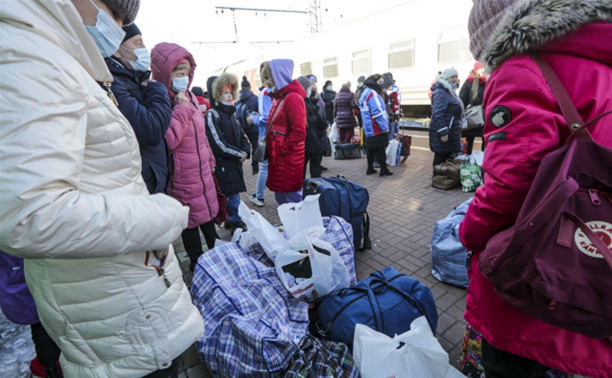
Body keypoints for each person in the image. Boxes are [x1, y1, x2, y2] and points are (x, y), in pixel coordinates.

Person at [0, 1, 204, 377]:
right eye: (117, 14)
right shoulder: (33, 57)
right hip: (112, 310)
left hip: (119, 298)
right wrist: (159, 216)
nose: (117, 27)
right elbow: (30, 215)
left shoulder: (58, 55)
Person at [460, 1, 612, 377]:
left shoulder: (521, 70)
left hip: (537, 291)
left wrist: (468, 232)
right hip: (595, 269)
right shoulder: (601, 64)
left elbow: (510, 185)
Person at [151, 42, 220, 271]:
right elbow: (169, 140)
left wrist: (210, 161)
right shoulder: (162, 99)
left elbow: (203, 136)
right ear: (166, 73)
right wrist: (180, 109)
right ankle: (198, 266)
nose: (183, 76)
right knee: (190, 225)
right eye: (178, 72)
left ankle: (220, 259)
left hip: (202, 174)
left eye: (186, 72)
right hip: (182, 177)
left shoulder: (189, 96)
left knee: (209, 218)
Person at [106, 23, 172, 195]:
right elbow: (151, 128)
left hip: (152, 178)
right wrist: (158, 88)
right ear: (116, 49)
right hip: (143, 183)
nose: (144, 49)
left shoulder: (133, 79)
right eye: (138, 43)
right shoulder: (112, 82)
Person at [0, 252, 62, 378]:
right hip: (31, 282)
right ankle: (51, 367)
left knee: (42, 328)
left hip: (17, 282)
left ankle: (49, 366)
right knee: (44, 328)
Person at [205, 74, 251, 230]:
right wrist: (240, 154)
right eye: (225, 92)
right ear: (217, 94)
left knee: (234, 197)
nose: (229, 95)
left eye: (231, 92)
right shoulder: (213, 114)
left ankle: (233, 221)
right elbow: (218, 143)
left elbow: (243, 136)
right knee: (232, 198)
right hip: (224, 166)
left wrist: (246, 150)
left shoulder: (232, 114)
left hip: (234, 165)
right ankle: (234, 222)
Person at [261, 59, 307, 205]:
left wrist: (282, 149)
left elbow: (299, 131)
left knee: (292, 200)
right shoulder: (279, 97)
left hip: (288, 159)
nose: (266, 83)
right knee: (282, 198)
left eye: (268, 78)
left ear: (278, 76)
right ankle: (288, 226)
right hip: (281, 159)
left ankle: (297, 227)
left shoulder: (292, 97)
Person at [248, 65, 273, 208]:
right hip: (280, 135)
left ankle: (259, 196)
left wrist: (253, 120)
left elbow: (266, 118)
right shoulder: (280, 91)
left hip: (267, 135)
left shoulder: (265, 93)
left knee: (264, 166)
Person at [359, 74, 393, 177]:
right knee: (380, 148)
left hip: (369, 126)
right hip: (376, 127)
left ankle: (370, 168)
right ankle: (384, 170)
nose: (381, 85)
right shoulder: (372, 93)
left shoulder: (365, 92)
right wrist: (384, 127)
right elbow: (377, 112)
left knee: (371, 149)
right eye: (380, 83)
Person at [429, 67, 463, 168]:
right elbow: (438, 113)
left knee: (446, 156)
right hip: (445, 131)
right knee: (441, 156)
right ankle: (438, 178)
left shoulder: (449, 91)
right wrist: (443, 132)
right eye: (452, 77)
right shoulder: (441, 92)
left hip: (451, 129)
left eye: (456, 76)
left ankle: (444, 179)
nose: (455, 79)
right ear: (446, 78)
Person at [299, 77, 327, 178]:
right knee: (312, 164)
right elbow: (307, 120)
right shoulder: (301, 101)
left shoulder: (307, 100)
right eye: (310, 87)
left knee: (308, 165)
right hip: (310, 138)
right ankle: (314, 185)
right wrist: (316, 117)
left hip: (311, 137)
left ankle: (310, 185)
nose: (312, 89)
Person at [459, 61, 486, 155]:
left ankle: (484, 163)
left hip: (484, 118)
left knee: (486, 143)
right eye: (482, 68)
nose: (484, 70)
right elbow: (461, 100)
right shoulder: (468, 82)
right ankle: (466, 163)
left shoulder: (488, 82)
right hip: (471, 118)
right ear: (476, 70)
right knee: (467, 145)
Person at [236, 76, 260, 175]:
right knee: (255, 147)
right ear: (250, 87)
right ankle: (255, 168)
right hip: (253, 126)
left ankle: (239, 165)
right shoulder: (254, 98)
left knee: (241, 144)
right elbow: (260, 112)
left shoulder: (237, 98)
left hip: (241, 126)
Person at [306, 74, 330, 171]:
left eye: (315, 81)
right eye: (312, 82)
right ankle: (315, 167)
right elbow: (312, 109)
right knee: (315, 147)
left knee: (321, 146)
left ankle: (318, 164)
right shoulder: (308, 96)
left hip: (321, 122)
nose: (314, 84)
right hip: (315, 126)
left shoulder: (317, 94)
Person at [384, 72, 401, 140]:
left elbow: (398, 99)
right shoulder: (395, 87)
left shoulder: (392, 88)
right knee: (394, 127)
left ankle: (392, 142)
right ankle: (394, 141)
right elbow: (399, 99)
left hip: (390, 111)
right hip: (393, 111)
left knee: (391, 127)